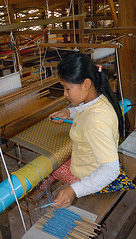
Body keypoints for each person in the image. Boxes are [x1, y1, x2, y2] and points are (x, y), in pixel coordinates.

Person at [49, 52, 123, 208]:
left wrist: (74, 190)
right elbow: (86, 109)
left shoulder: (95, 121)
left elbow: (110, 170)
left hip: (89, 174)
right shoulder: (100, 97)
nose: (64, 94)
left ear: (86, 84)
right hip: (88, 163)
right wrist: (68, 112)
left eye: (67, 88)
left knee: (48, 171)